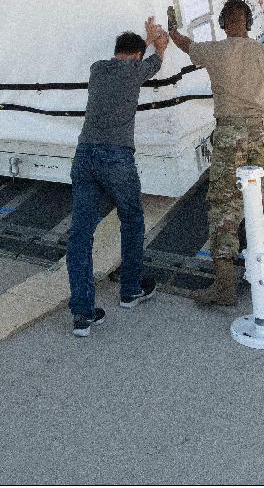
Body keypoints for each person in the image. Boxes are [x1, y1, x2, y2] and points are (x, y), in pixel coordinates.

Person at [170, 0, 264, 308]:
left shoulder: (214, 52)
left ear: (223, 24)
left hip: (229, 135)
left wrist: (172, 28)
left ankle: (224, 286)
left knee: (224, 206)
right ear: (250, 23)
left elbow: (186, 45)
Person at [66, 17, 169, 337]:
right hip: (116, 157)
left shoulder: (98, 68)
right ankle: (131, 289)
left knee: (80, 234)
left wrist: (146, 43)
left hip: (84, 155)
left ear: (115, 52)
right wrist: (158, 43)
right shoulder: (137, 70)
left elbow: (135, 59)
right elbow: (156, 60)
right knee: (132, 218)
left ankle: (83, 315)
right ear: (137, 55)